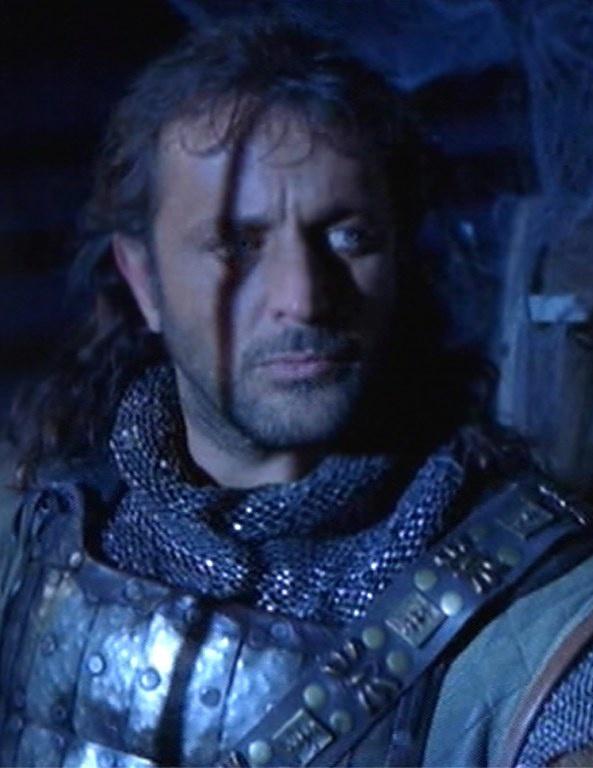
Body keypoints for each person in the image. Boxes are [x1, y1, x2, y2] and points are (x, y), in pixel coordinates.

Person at [2, 16, 593, 768]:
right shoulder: (42, 532)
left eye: (348, 238)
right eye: (236, 245)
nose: (303, 298)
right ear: (144, 281)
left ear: (401, 261)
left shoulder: (531, 620)